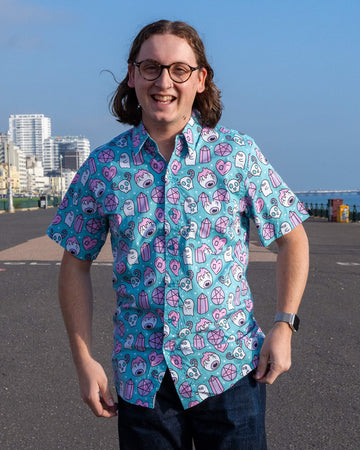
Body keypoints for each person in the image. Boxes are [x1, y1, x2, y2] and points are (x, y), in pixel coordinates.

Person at [47, 19, 309, 450]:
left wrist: (284, 324)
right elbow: (75, 265)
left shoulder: (236, 155)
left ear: (200, 79)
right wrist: (84, 360)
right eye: (150, 67)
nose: (164, 81)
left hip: (230, 373)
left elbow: (292, 237)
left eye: (179, 70)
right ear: (132, 76)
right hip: (142, 379)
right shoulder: (103, 167)